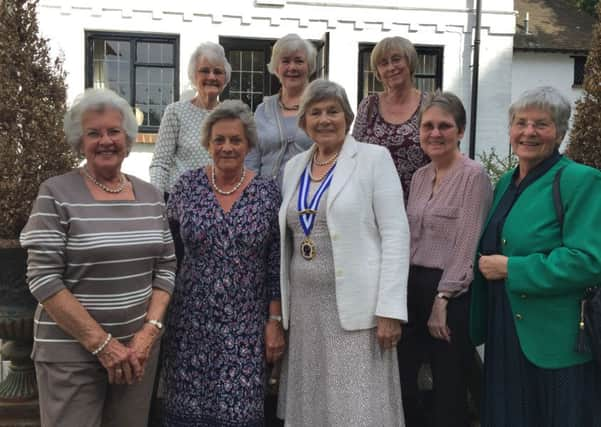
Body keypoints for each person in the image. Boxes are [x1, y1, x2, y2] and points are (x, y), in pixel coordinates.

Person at [20, 88, 176, 427]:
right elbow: (43, 277)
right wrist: (102, 344)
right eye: (94, 133)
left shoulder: (150, 195)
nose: (105, 140)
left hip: (137, 355)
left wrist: (148, 333)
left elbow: (166, 266)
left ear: (128, 138)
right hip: (71, 355)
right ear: (80, 141)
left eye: (113, 131)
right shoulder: (56, 193)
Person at [277, 79, 410, 426]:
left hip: (358, 311)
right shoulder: (293, 169)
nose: (324, 119)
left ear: (348, 117)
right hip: (305, 311)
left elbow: (396, 233)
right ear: (304, 121)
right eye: (315, 112)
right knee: (315, 402)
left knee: (357, 406)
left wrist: (390, 310)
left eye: (332, 111)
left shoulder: (372, 159)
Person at [471, 86, 601, 427]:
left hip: (554, 338)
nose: (528, 132)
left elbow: (587, 261)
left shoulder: (581, 180)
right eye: (520, 123)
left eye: (540, 124)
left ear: (559, 131)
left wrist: (513, 268)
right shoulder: (505, 183)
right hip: (505, 328)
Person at [161, 100, 284, 426]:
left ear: (248, 144)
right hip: (189, 321)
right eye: (219, 140)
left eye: (235, 140)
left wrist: (274, 320)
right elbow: (167, 253)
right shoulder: (186, 187)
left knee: (239, 413)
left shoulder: (267, 191)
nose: (227, 147)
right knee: (186, 412)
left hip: (245, 324)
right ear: (207, 143)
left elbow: (275, 261)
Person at [398, 91, 493, 427]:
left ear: (460, 131)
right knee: (404, 379)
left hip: (450, 292)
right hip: (411, 288)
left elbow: (468, 241)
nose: (435, 133)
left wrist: (443, 298)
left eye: (444, 126)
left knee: (448, 386)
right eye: (428, 126)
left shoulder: (474, 176)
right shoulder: (420, 177)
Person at [352, 36, 430, 204]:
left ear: (409, 62)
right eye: (383, 63)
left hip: (419, 204)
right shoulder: (368, 106)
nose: (391, 67)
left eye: (396, 59)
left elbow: (446, 154)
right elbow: (355, 155)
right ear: (378, 71)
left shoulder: (430, 105)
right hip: (373, 205)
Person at [150, 41, 232, 196]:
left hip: (221, 205)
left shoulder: (232, 116)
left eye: (218, 72)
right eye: (205, 71)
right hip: (180, 204)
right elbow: (160, 164)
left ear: (225, 78)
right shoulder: (175, 112)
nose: (212, 77)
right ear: (194, 75)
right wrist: (156, 201)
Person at [246, 34, 315, 187]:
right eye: (285, 61)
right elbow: (251, 159)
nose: (292, 67)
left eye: (299, 61)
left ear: (309, 66)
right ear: (276, 68)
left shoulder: (319, 107)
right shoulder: (262, 111)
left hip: (308, 198)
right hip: (266, 199)